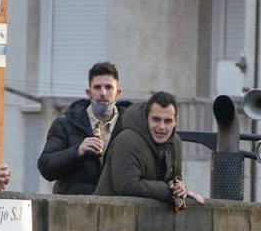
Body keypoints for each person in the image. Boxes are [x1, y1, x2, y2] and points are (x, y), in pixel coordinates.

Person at [94, 91, 202, 207]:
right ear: (146, 118)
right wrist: (168, 191)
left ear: (175, 121)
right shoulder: (127, 140)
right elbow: (127, 186)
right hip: (108, 216)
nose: (162, 127)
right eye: (156, 120)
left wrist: (180, 187)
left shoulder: (175, 142)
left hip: (147, 219)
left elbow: (176, 177)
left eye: (168, 121)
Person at [37, 62, 130, 195]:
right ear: (89, 93)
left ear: (118, 93)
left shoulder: (130, 126)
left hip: (117, 209)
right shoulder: (66, 123)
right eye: (97, 87)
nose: (103, 93)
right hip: (74, 208)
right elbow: (46, 168)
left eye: (109, 87)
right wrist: (77, 151)